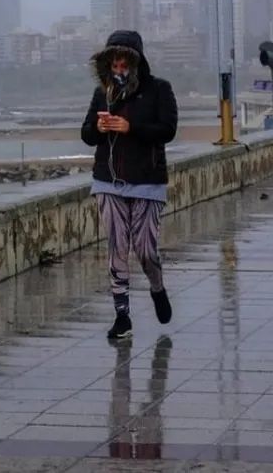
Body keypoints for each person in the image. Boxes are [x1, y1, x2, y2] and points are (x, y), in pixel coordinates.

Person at [80, 30, 178, 340]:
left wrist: (130, 127)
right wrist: (98, 127)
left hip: (147, 182)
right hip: (108, 182)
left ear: (136, 63)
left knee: (146, 250)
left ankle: (157, 287)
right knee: (117, 247)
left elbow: (168, 130)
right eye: (115, 66)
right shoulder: (102, 93)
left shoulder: (160, 89)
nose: (119, 71)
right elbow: (86, 135)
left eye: (125, 66)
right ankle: (122, 315)